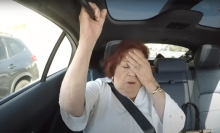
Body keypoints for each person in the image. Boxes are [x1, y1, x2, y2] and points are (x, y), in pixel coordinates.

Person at [59, 2, 185, 133]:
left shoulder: (153, 94)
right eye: (125, 66)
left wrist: (149, 81)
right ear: (113, 68)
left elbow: (176, 124)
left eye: (138, 67)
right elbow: (70, 106)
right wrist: (87, 40)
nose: (132, 73)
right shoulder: (99, 88)